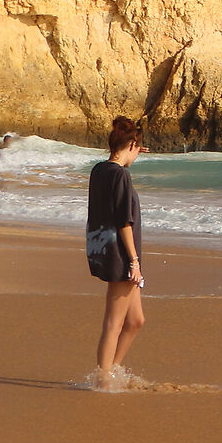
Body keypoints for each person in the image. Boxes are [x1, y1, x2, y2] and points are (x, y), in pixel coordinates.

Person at [87, 116, 146, 381]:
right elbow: (124, 222)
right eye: (137, 149)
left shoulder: (100, 170)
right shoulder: (121, 175)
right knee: (114, 323)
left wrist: (130, 150)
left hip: (104, 249)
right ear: (132, 144)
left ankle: (113, 369)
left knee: (135, 321)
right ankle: (103, 378)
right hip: (121, 255)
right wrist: (134, 261)